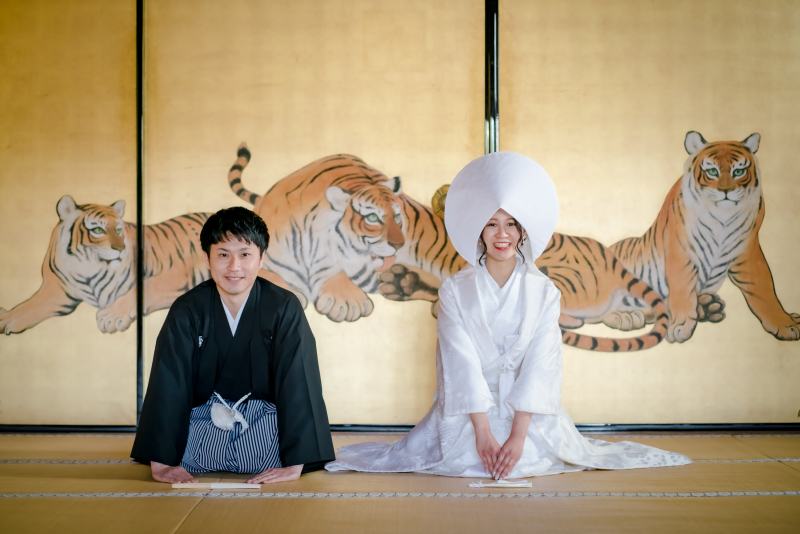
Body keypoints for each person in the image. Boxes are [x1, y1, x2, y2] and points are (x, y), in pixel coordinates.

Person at [326, 152, 691, 479]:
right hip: (468, 414)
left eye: (512, 224)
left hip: (527, 416)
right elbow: (459, 363)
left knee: (529, 457)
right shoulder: (455, 289)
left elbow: (541, 364)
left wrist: (517, 436)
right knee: (463, 457)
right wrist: (484, 434)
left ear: (523, 231)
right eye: (492, 224)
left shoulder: (546, 291)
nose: (502, 234)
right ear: (479, 231)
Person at [131, 207, 335, 484]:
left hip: (265, 424)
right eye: (223, 254)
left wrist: (296, 463)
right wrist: (162, 462)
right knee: (190, 448)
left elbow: (298, 381)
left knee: (272, 445)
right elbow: (169, 383)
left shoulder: (283, 307)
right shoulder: (188, 309)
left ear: (261, 258)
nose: (234, 267)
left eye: (245, 255)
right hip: (204, 423)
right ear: (207, 258)